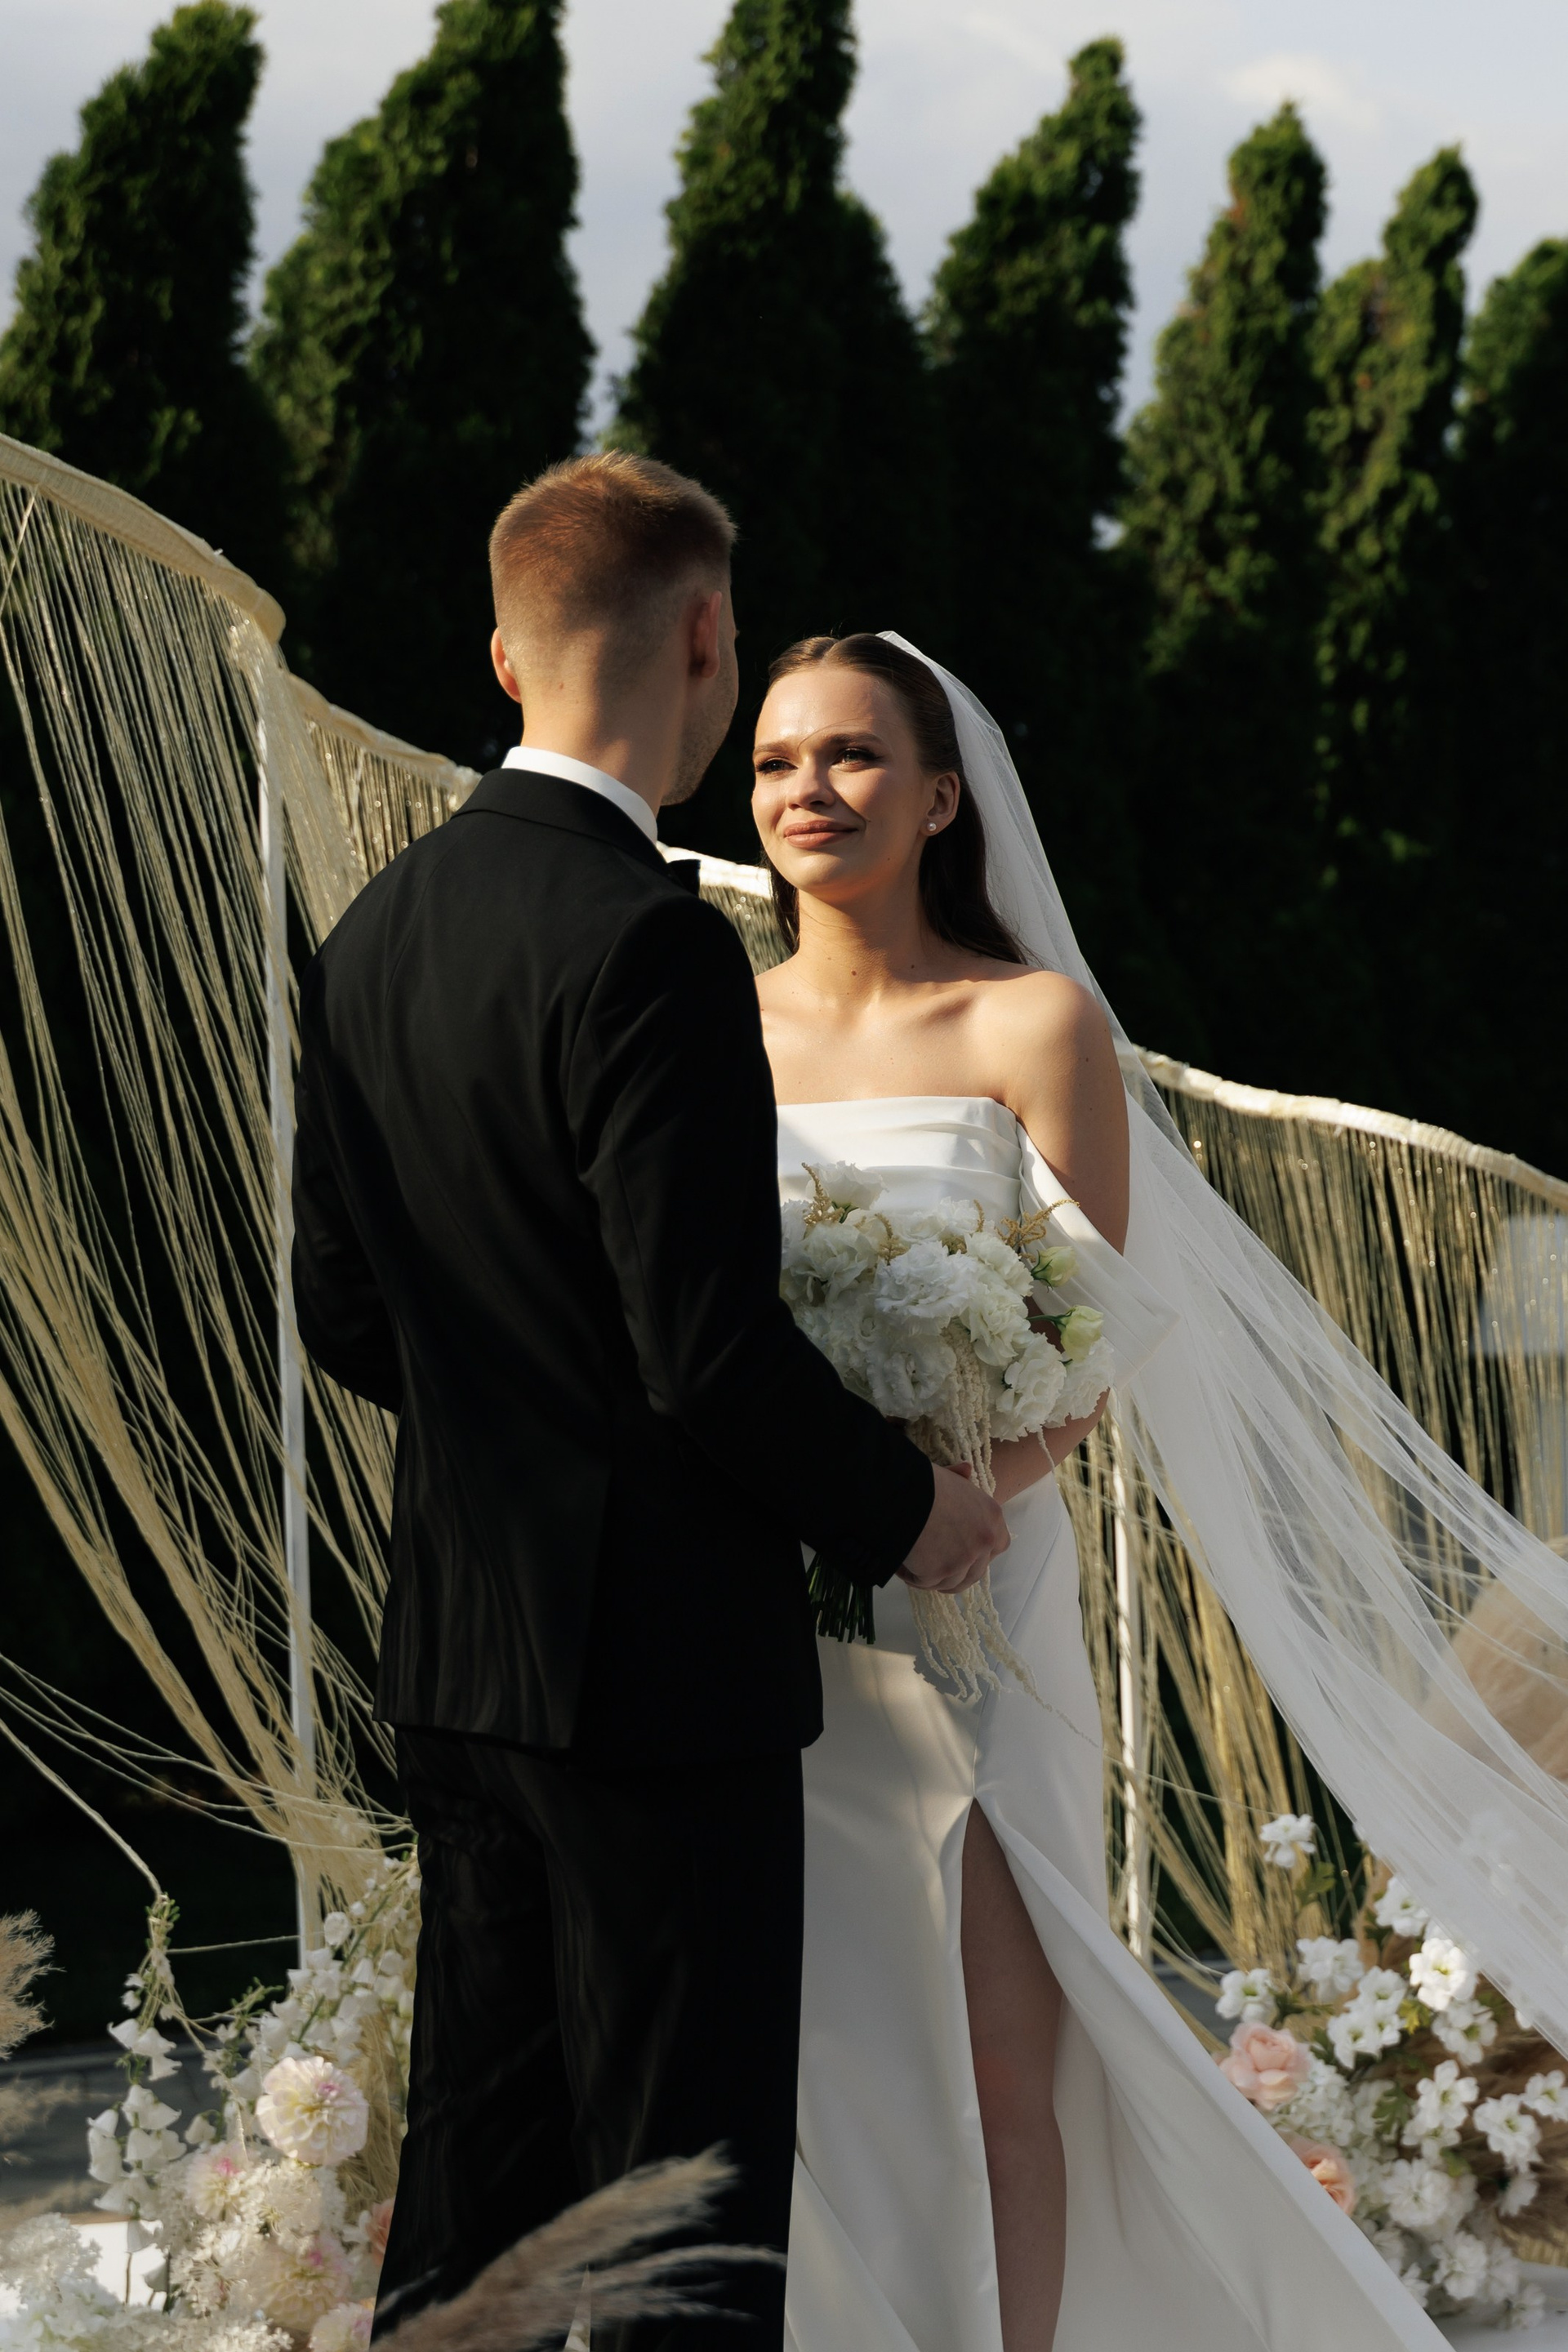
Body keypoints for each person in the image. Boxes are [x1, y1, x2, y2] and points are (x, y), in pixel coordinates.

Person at [288, 460, 1009, 2350]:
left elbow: (344, 1309)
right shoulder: (653, 940)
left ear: (503, 657)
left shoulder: (375, 931)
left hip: (462, 1653)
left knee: (477, 2212)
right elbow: (703, 1350)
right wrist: (909, 1510)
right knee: (677, 2225)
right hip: (661, 1682)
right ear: (703, 638)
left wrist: (518, 1421)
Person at [751, 633, 1465, 2352]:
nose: (807, 791)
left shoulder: (1034, 1020)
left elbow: (1090, 1327)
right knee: (813, 2030)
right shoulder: (710, 1024)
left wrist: (951, 1504)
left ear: (942, 798)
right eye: (774, 762)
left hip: (980, 1580)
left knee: (1013, 2037)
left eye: (852, 755)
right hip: (767, 1588)